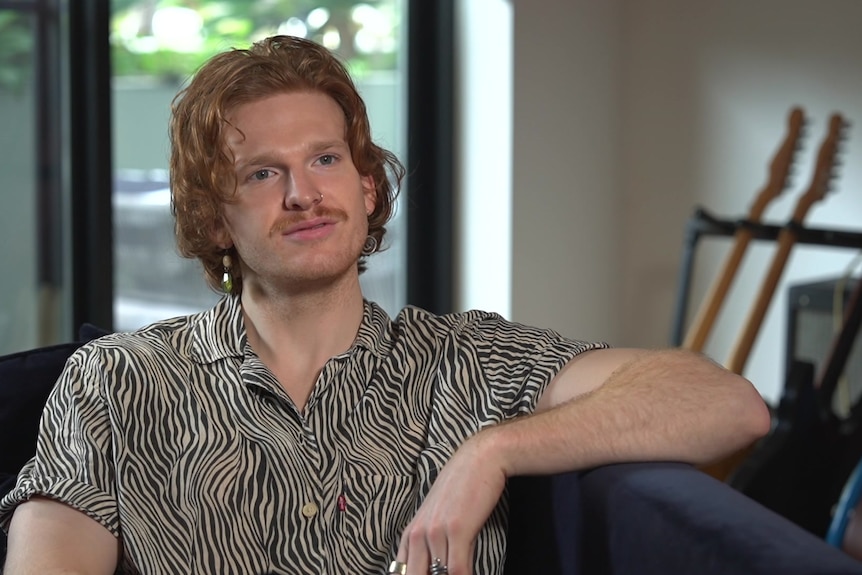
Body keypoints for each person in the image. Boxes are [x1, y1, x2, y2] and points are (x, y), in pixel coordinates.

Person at [0, 35, 770, 575]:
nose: (304, 193)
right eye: (263, 174)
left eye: (325, 159)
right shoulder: (115, 381)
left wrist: (490, 451)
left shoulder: (469, 362)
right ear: (211, 220)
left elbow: (729, 404)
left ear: (367, 189)